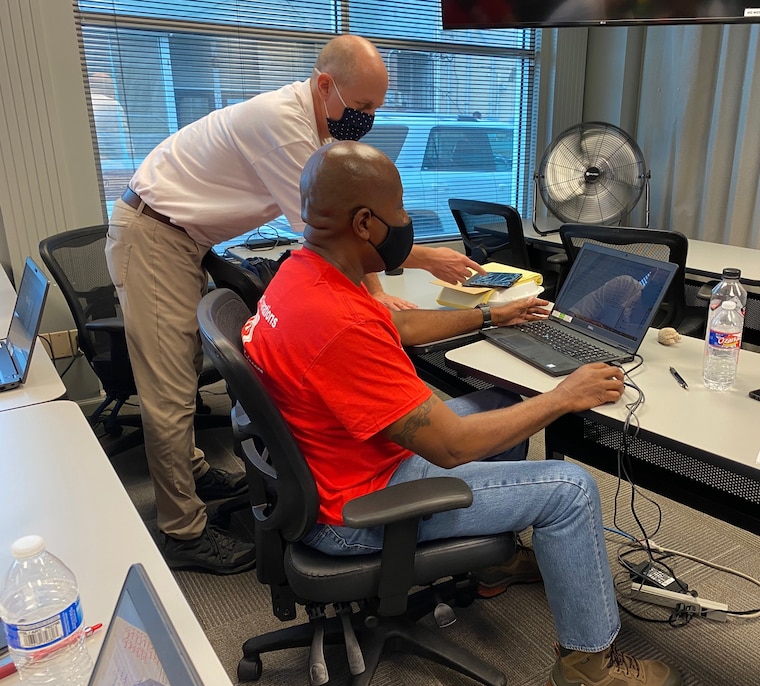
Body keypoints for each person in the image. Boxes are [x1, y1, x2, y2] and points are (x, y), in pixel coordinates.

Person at [241, 140, 684, 686]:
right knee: (570, 490)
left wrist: (487, 314)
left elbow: (390, 330)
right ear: (363, 223)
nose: (406, 222)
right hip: (356, 510)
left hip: (332, 466)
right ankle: (587, 669)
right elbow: (449, 447)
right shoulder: (336, 321)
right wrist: (563, 396)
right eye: (399, 210)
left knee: (501, 403)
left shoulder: (303, 274)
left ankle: (495, 566)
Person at [105, 34, 483, 575]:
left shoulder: (312, 122)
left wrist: (377, 298)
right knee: (167, 389)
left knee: (180, 375)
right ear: (325, 86)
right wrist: (418, 264)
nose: (370, 117)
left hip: (185, 237)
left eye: (377, 106)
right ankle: (182, 532)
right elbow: (333, 234)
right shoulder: (282, 127)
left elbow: (346, 237)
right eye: (364, 106)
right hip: (156, 234)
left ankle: (192, 470)